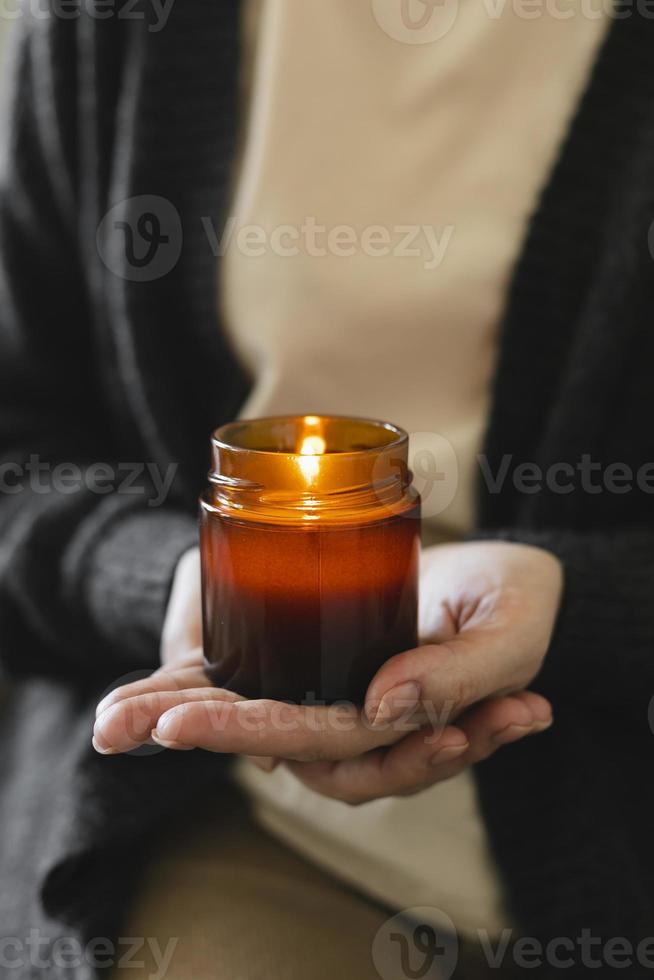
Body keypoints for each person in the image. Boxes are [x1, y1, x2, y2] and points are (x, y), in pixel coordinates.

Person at [1, 1, 653, 978]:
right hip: (243, 817)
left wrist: (580, 601)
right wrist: (176, 581)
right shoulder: (119, 28)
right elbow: (20, 441)